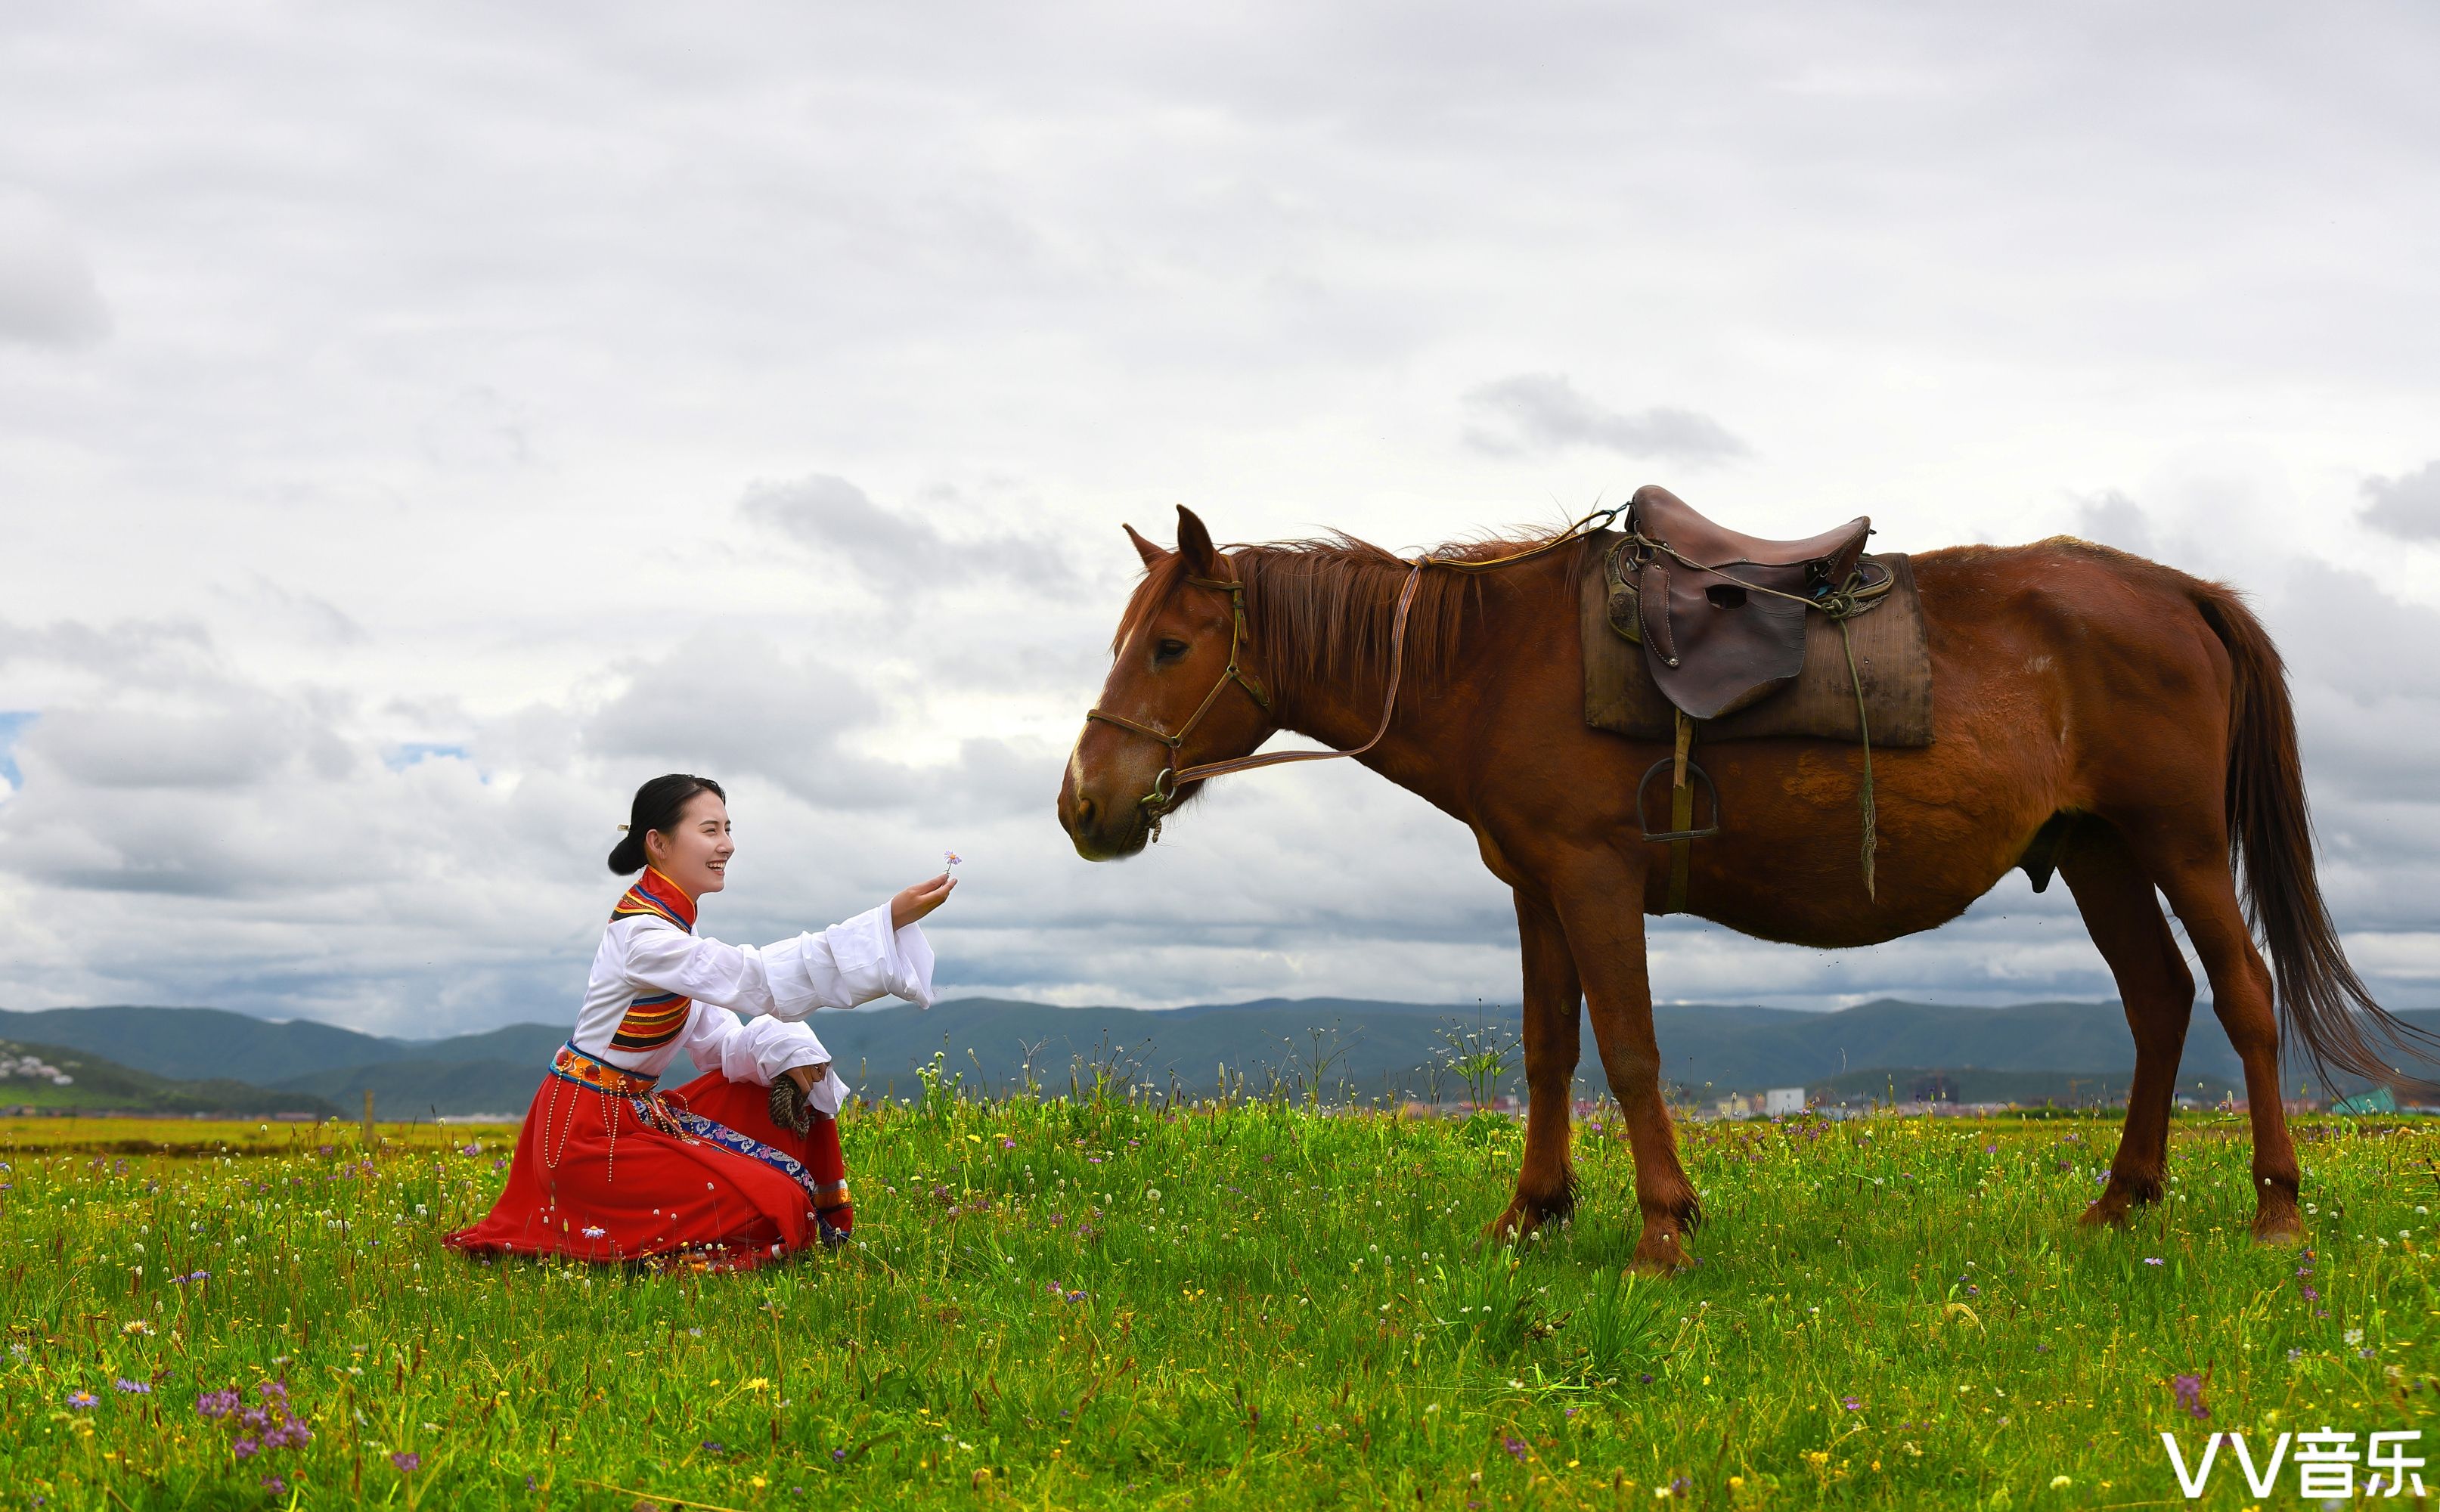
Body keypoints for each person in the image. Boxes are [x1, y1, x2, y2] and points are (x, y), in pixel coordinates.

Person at [446, 773, 953, 1269]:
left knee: (773, 1155)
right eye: (710, 830)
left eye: (728, 829)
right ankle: (643, 1252)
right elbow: (754, 978)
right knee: (774, 1206)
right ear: (658, 843)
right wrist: (882, 924)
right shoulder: (644, 939)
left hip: (629, 1119)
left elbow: (721, 1046)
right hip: (584, 1141)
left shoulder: (668, 932)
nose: (727, 845)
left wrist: (792, 1056)